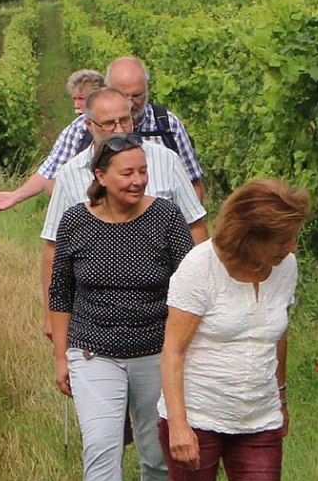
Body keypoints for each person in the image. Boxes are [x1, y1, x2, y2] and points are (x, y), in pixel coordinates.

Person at [148, 179, 310, 481]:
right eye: (282, 239)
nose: (291, 247)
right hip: (198, 418)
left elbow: (279, 334)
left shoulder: (285, 266)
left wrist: (279, 397)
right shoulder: (200, 269)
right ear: (249, 234)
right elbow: (173, 351)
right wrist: (178, 425)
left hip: (258, 418)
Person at [50, 133, 195, 481]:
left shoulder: (166, 218)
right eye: (127, 172)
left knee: (157, 452)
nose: (137, 180)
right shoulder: (76, 222)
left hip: (157, 351)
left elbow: (190, 289)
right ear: (100, 177)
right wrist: (60, 355)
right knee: (100, 447)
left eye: (142, 171)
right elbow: (61, 292)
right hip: (93, 351)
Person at [39, 87, 208, 339]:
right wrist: (51, 315)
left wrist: (202, 297)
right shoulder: (70, 174)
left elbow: (195, 228)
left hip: (161, 310)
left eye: (125, 120)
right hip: (93, 319)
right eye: (108, 123)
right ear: (89, 125)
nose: (119, 129)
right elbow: (54, 250)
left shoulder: (167, 161)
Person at [0, 56, 205, 213]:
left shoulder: (167, 125)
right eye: (123, 95)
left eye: (138, 95)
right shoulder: (82, 128)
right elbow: (50, 170)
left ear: (147, 90)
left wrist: (184, 227)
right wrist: (17, 195)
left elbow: (193, 182)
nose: (130, 103)